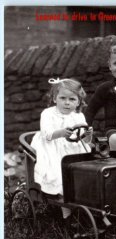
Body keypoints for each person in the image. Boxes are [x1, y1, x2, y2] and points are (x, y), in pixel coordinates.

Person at [31, 78, 93, 219]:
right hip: (53, 147)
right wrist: (61, 133)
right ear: (54, 98)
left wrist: (88, 135)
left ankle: (84, 207)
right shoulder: (48, 114)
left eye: (72, 99)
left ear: (78, 101)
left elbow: (84, 139)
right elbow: (47, 134)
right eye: (62, 98)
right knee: (61, 176)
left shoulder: (79, 116)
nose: (67, 102)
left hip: (73, 148)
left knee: (84, 173)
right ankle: (67, 216)